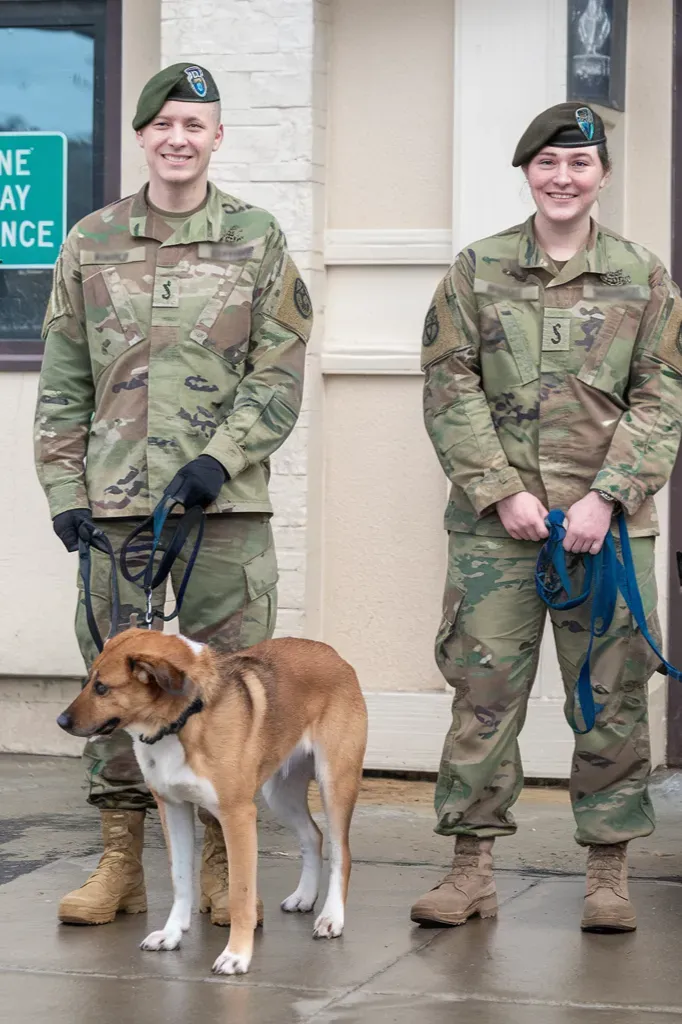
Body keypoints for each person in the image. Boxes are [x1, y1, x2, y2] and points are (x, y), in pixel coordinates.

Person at [34, 63, 312, 926]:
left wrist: (220, 458)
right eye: (164, 126)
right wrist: (62, 488)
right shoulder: (90, 240)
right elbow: (63, 381)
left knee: (228, 699)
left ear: (217, 136)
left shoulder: (258, 238)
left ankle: (230, 877)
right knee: (114, 697)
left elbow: (279, 373)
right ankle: (122, 865)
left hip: (220, 517)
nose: (179, 138)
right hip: (115, 515)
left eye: (196, 124)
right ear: (143, 137)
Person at [410, 102, 682, 933]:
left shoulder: (644, 275)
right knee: (483, 695)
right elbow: (449, 385)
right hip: (498, 531)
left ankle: (606, 872)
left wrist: (608, 496)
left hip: (609, 532)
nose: (563, 179)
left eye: (579, 165)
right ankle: (470, 868)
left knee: (611, 698)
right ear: (528, 172)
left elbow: (661, 395)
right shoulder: (476, 269)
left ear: (601, 176)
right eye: (548, 165)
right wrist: (502, 490)